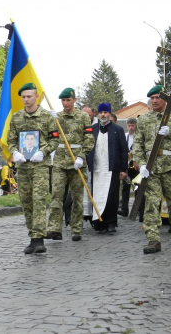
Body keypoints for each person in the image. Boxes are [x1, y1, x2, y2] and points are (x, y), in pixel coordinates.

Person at [133, 85, 171, 254]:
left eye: (158, 97)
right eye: (152, 98)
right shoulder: (143, 120)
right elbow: (137, 145)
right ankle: (153, 240)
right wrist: (142, 163)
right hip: (151, 168)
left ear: (165, 98)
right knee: (151, 204)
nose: (155, 100)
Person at [7, 82, 59, 254]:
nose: (27, 99)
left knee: (38, 200)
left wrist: (43, 152)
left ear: (37, 97)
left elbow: (54, 140)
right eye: (24, 97)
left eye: (29, 96)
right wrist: (14, 152)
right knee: (26, 201)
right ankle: (32, 237)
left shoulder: (46, 116)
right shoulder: (16, 118)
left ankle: (38, 239)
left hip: (40, 166)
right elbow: (11, 141)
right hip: (23, 167)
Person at [46, 88, 95, 242]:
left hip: (77, 162)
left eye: (68, 100)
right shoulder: (56, 117)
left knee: (77, 197)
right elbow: (50, 137)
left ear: (74, 100)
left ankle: (76, 228)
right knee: (56, 195)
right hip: (60, 161)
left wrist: (81, 156)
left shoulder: (83, 117)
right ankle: (55, 228)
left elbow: (89, 139)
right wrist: (50, 121)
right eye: (63, 100)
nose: (66, 103)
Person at [86, 103, 128, 233]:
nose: (103, 115)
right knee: (97, 195)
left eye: (105, 112)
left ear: (109, 114)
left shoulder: (118, 130)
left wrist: (123, 169)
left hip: (112, 168)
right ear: (98, 114)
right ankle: (98, 222)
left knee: (111, 196)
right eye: (101, 113)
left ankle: (111, 222)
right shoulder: (93, 129)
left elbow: (123, 151)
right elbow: (87, 147)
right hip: (97, 169)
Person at [119, 118, 143, 220]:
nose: (131, 127)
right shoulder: (125, 136)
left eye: (132, 125)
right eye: (129, 125)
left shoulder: (139, 136)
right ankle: (124, 209)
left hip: (137, 166)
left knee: (138, 188)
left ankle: (138, 209)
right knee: (125, 188)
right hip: (128, 166)